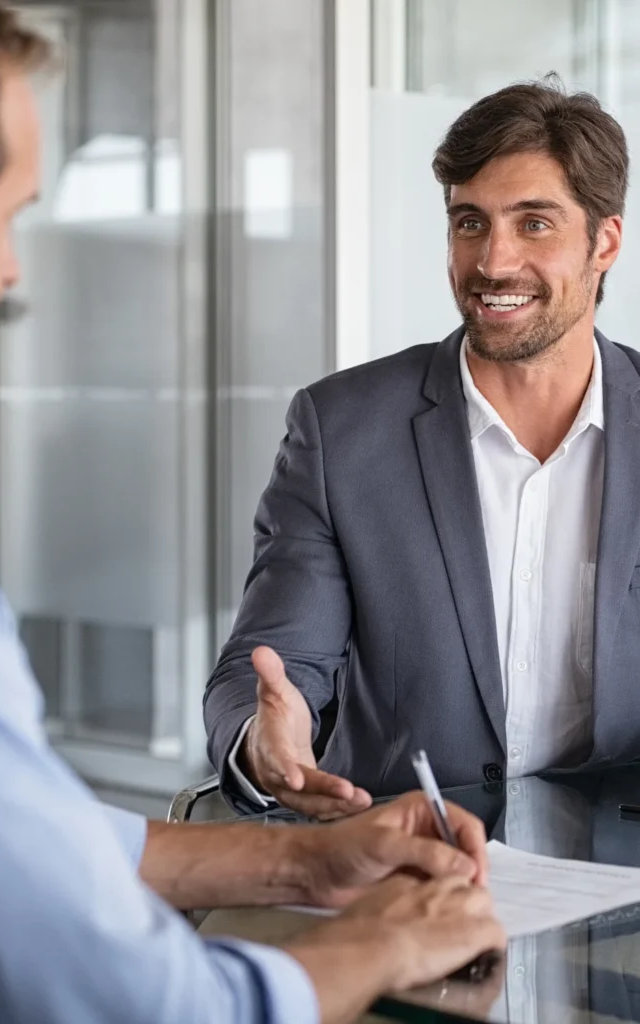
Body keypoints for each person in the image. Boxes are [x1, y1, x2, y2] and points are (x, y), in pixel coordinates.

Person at [0, 3, 506, 1024]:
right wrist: (375, 938)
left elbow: (30, 844)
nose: (16, 267)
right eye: (10, 214)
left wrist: (305, 862)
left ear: (606, 242)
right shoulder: (345, 427)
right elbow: (153, 1002)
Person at [204, 74, 639, 819]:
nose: (492, 263)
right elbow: (275, 664)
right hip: (401, 871)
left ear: (603, 241)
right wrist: (264, 741)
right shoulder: (342, 428)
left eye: (533, 223)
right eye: (469, 223)